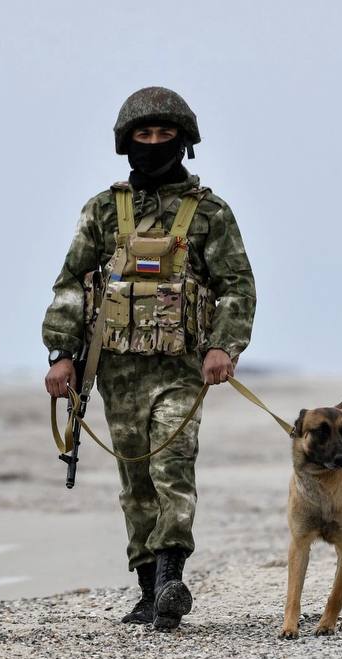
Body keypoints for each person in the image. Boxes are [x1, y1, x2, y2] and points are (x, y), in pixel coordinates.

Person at [42, 86, 256, 631]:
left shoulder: (209, 213)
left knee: (172, 467)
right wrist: (61, 354)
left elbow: (236, 285)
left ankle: (169, 579)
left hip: (182, 369)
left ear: (184, 141)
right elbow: (71, 284)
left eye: (165, 134)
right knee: (135, 480)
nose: (154, 142)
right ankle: (146, 591)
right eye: (144, 133)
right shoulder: (102, 211)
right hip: (116, 371)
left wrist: (223, 346)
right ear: (127, 141)